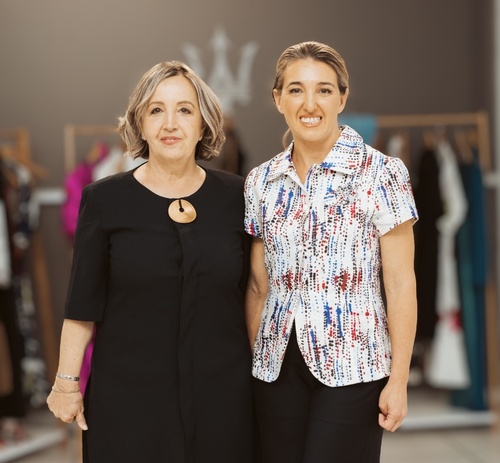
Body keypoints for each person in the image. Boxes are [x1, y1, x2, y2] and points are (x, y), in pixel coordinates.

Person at [47, 61, 258, 463]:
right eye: (156, 110)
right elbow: (82, 305)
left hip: (223, 399)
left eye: (184, 110)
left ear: (203, 124)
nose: (170, 123)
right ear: (139, 124)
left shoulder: (238, 197)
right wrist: (66, 383)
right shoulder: (104, 200)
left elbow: (255, 292)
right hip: (127, 403)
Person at [244, 41, 418, 463]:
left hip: (355, 365)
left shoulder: (381, 173)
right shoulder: (260, 182)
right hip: (276, 369)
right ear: (278, 99)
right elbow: (258, 285)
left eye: (323, 90)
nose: (310, 104)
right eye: (296, 90)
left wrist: (398, 380)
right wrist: (258, 363)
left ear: (342, 97)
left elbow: (400, 283)